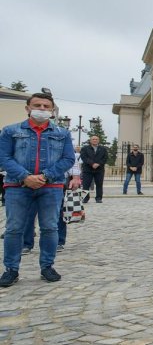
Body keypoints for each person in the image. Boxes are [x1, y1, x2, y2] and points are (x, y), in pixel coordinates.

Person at [2, 92, 76, 286]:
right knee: (14, 228)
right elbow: (4, 157)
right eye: (37, 105)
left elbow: (68, 159)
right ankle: (11, 269)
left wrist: (44, 176)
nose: (42, 109)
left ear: (52, 111)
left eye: (46, 106)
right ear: (28, 108)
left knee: (50, 227)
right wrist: (25, 177)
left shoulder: (62, 133)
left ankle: (47, 266)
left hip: (50, 187)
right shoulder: (11, 131)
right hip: (17, 186)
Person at [80, 135, 108, 203]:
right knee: (85, 185)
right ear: (90, 140)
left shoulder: (103, 149)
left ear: (98, 140)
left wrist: (98, 164)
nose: (95, 140)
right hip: (88, 169)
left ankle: (99, 198)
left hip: (99, 169)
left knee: (99, 184)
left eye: (96, 139)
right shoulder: (85, 148)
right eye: (93, 139)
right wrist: (92, 164)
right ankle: (85, 198)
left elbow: (105, 158)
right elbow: (84, 157)